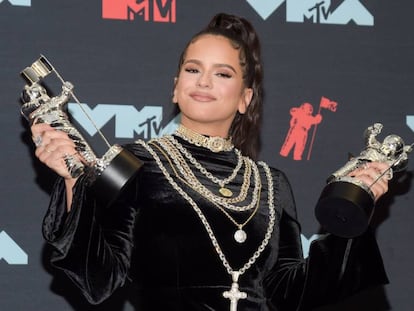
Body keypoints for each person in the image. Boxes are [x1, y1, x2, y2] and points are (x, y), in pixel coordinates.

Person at [30, 13, 390, 311]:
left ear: (245, 98)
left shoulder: (271, 183)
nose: (204, 81)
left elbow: (289, 292)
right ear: (175, 86)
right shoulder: (133, 162)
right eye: (192, 69)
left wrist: (352, 209)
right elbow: (99, 279)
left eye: (222, 73)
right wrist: (74, 180)